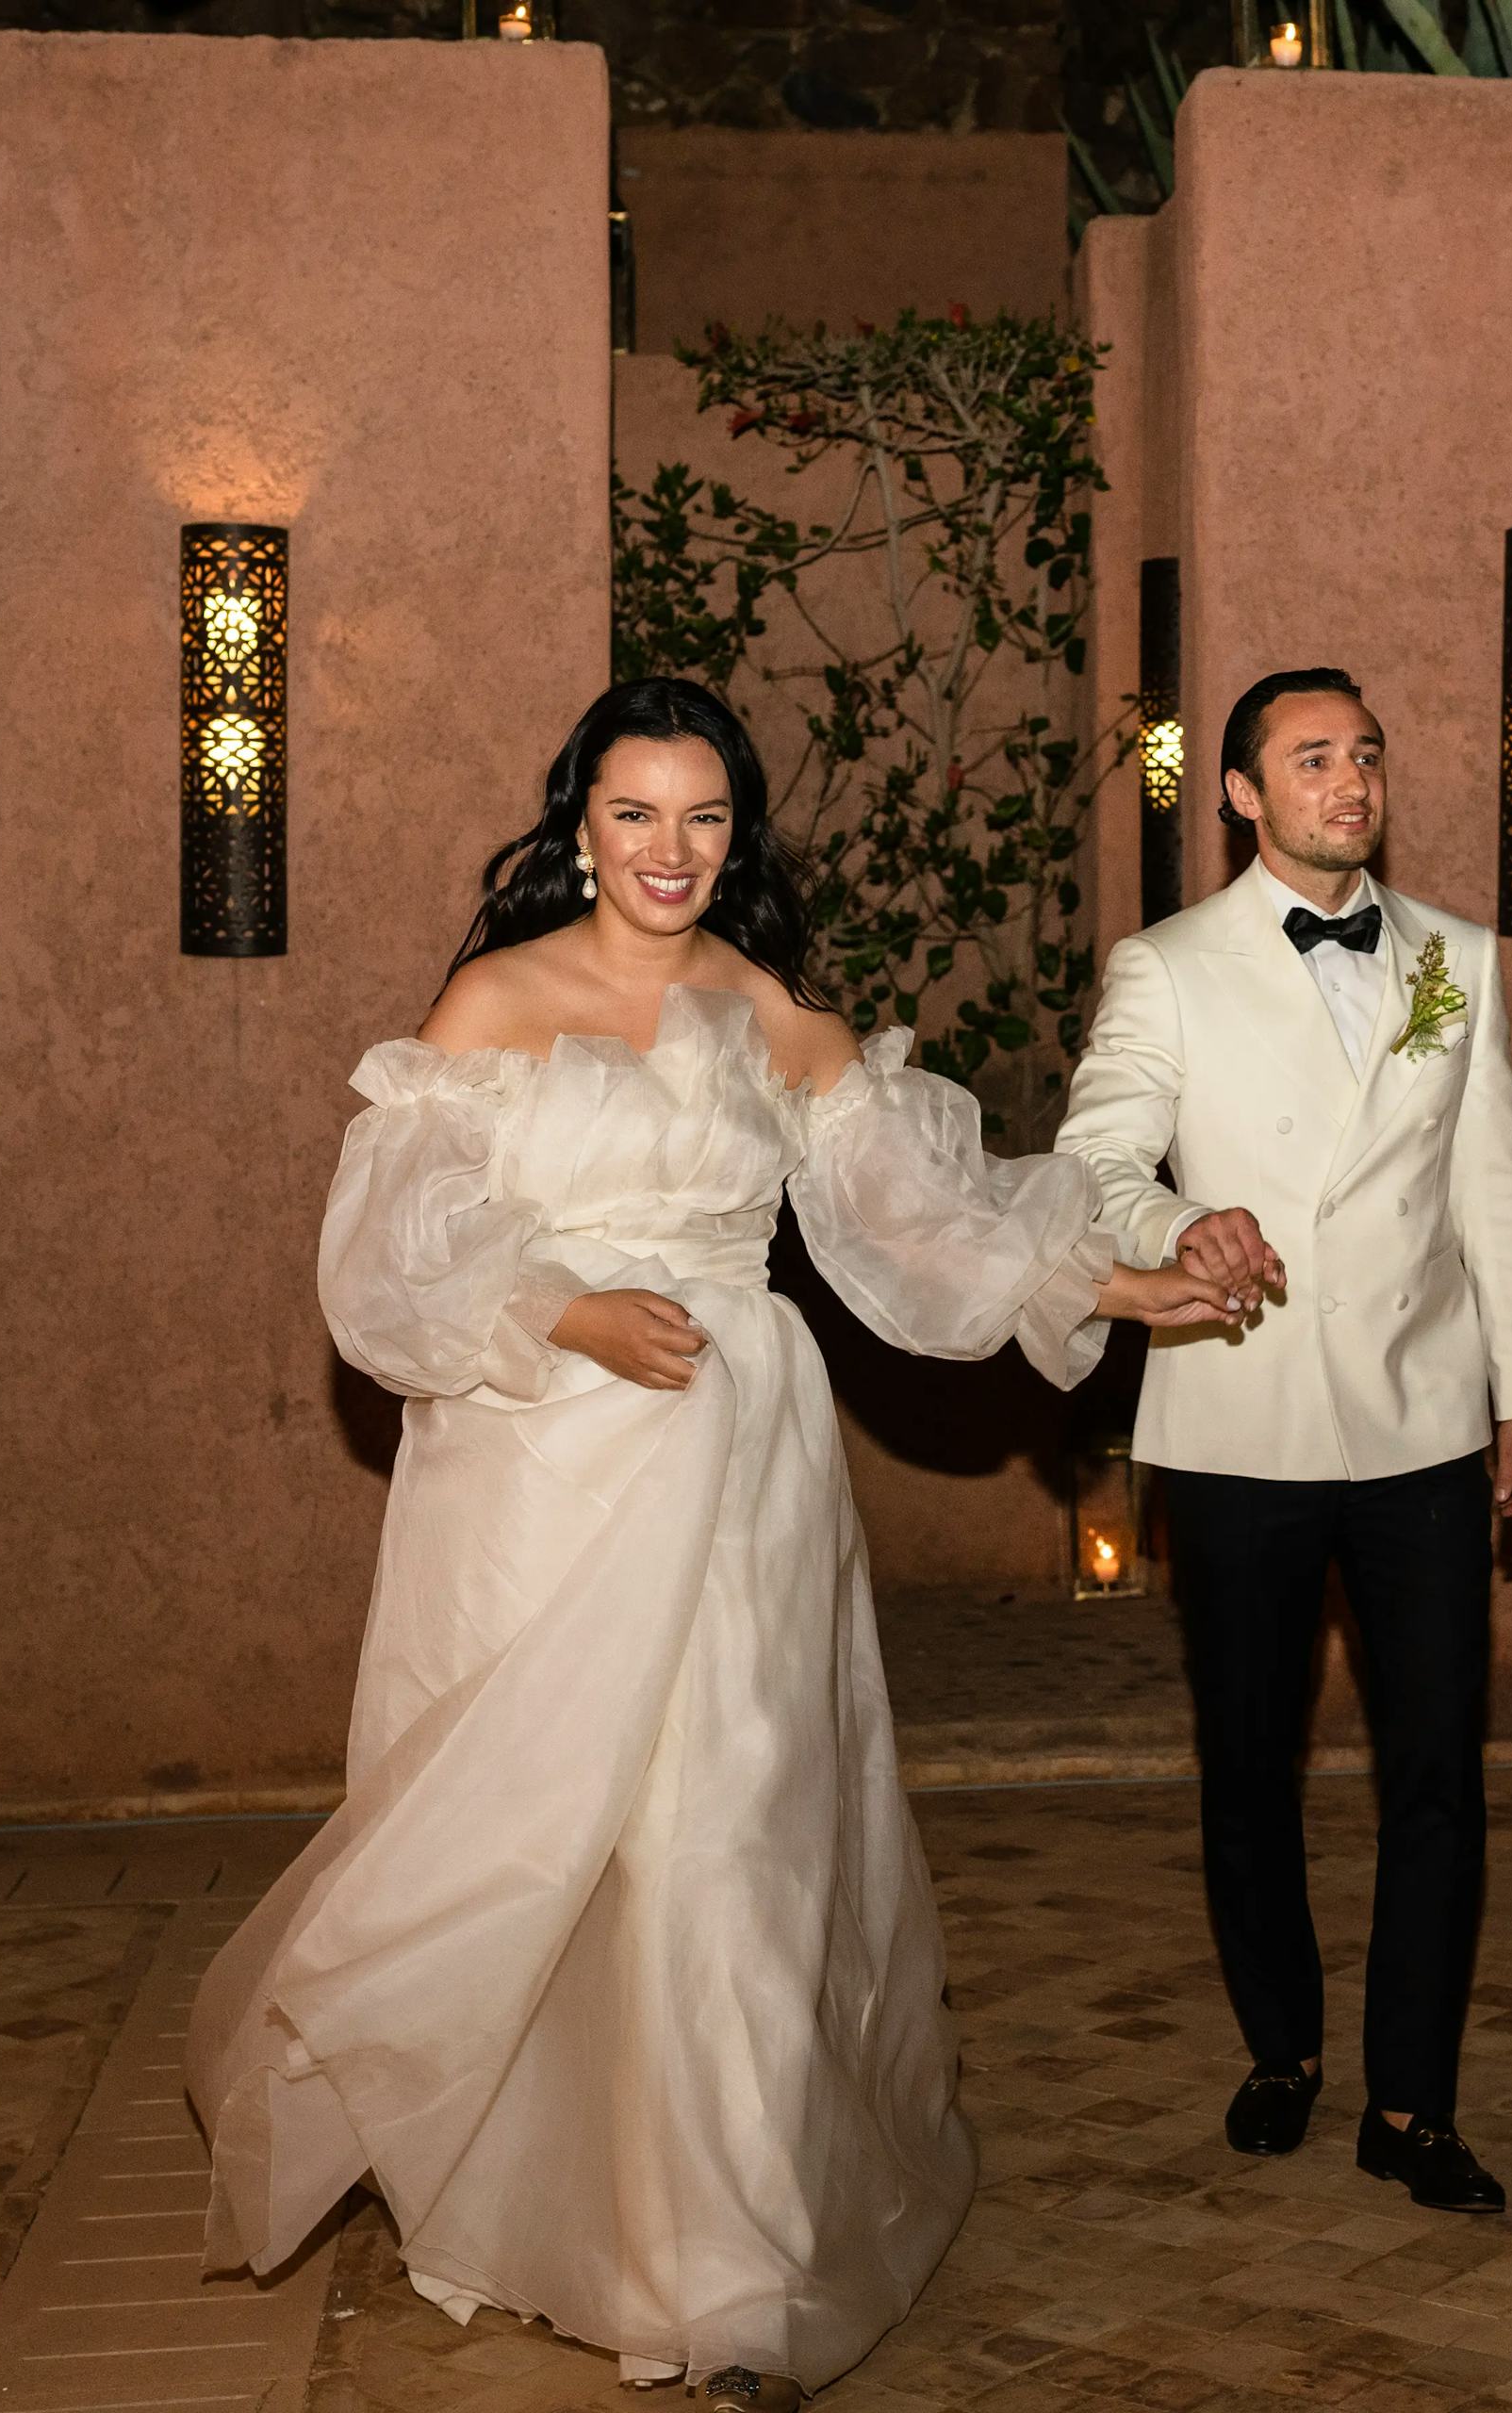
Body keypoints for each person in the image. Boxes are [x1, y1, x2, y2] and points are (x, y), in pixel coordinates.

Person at [185, 677, 1242, 2404]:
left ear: (735, 835)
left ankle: (731, 2276)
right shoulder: (491, 1002)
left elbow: (940, 1232)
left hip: (740, 1464)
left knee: (729, 1843)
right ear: (576, 822)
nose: (668, 851)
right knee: (546, 1835)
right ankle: (528, 2197)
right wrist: (566, 1307)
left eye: (703, 819)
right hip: (536, 1473)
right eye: (633, 814)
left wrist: (1146, 1291)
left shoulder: (771, 1018)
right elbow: (391, 1255)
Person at [1052, 666, 1512, 2214]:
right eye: (1312, 758)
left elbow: (1496, 1188)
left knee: (1437, 1779)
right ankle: (1282, 2047)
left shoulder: (1457, 962)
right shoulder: (1170, 967)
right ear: (1243, 795)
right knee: (1250, 1766)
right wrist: (1179, 1220)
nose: (1350, 780)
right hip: (1237, 1416)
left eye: (1366, 754)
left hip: (1419, 1422)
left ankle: (1412, 2105)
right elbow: (1093, 1164)